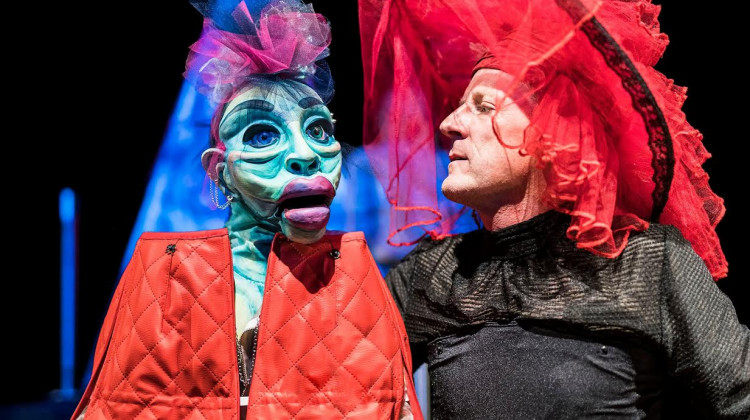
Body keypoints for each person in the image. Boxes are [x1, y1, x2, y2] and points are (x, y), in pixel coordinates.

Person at [358, 0, 749, 418]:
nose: (449, 123)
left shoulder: (647, 262)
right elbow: (344, 387)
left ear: (553, 130)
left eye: (483, 106)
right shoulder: (430, 273)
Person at [71, 1, 422, 419]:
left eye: (318, 129)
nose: (306, 154)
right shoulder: (165, 271)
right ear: (219, 170)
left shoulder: (352, 269)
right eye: (261, 136)